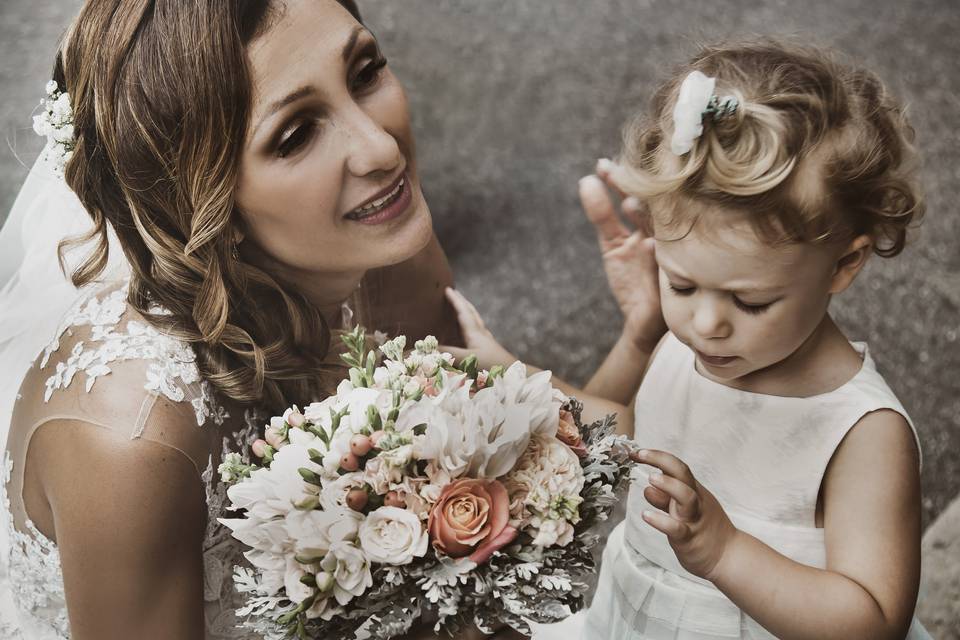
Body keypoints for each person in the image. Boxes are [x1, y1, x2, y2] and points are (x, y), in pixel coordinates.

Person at [0, 1, 475, 638]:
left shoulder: (376, 240)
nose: (381, 148)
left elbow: (482, 451)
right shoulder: (133, 438)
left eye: (365, 73)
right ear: (200, 196)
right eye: (296, 134)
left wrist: (642, 347)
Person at [450, 39, 934, 638]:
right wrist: (516, 377)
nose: (707, 324)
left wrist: (725, 552)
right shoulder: (688, 350)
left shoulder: (862, 430)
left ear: (844, 264)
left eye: (750, 301)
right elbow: (631, 435)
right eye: (681, 285)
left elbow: (874, 620)